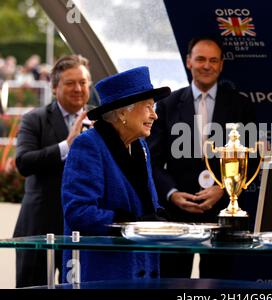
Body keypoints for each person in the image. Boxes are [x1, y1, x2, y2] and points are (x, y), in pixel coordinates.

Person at [147, 35, 256, 278]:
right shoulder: (167, 104)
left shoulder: (241, 105)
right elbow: (151, 161)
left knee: (220, 283)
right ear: (189, 62)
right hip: (177, 214)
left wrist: (224, 189)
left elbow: (252, 157)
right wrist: (172, 194)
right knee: (172, 283)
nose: (207, 65)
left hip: (223, 211)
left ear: (221, 65)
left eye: (213, 60)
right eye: (201, 59)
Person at [61, 66, 171, 282]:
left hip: (142, 269)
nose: (155, 115)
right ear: (122, 112)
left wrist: (160, 219)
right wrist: (130, 224)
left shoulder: (141, 146)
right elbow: (78, 212)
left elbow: (147, 204)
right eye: (148, 107)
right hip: (102, 273)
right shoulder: (88, 145)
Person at [13, 54, 91, 287]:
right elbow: (23, 163)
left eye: (83, 82)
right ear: (55, 87)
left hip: (82, 230)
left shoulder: (102, 120)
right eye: (70, 83)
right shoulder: (33, 119)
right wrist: (67, 145)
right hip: (38, 229)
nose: (78, 88)